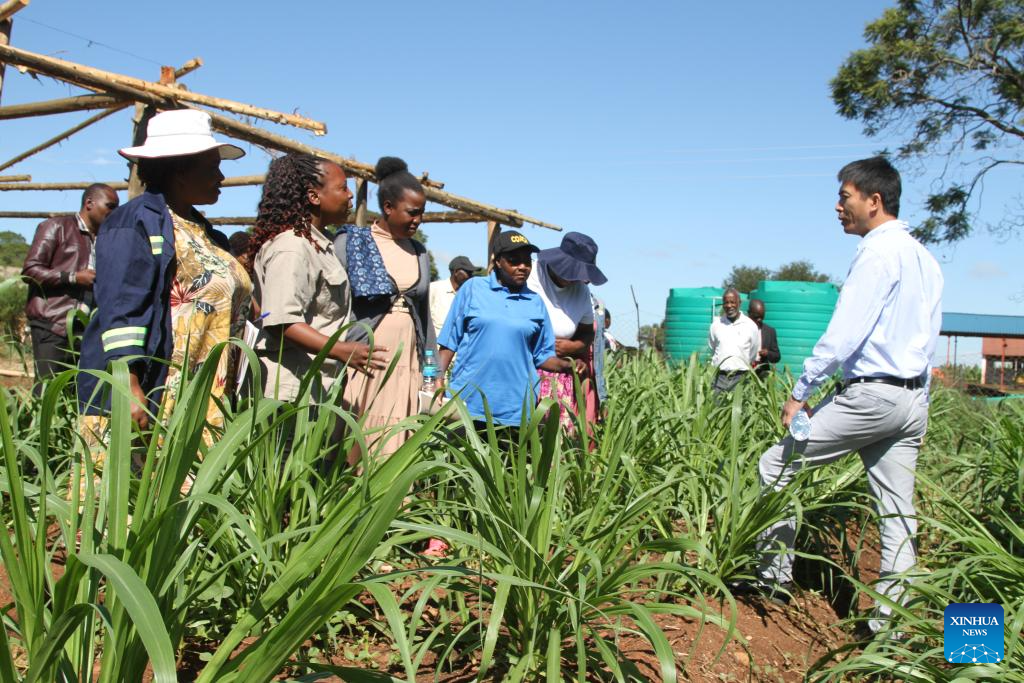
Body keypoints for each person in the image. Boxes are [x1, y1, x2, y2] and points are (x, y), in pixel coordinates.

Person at [746, 157, 943, 638]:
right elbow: (926, 337)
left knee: (775, 466)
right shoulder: (924, 258)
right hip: (910, 401)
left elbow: (844, 334)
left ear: (874, 201)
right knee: (897, 513)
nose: (838, 207)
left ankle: (771, 581)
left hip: (871, 397)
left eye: (845, 197)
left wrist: (801, 392)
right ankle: (890, 627)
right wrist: (916, 402)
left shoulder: (877, 253)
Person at [78, 109, 251, 442]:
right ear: (180, 170)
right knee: (143, 474)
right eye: (213, 167)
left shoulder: (210, 236)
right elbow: (121, 306)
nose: (221, 177)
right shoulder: (134, 222)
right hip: (156, 390)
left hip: (203, 394)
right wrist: (128, 386)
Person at [248, 153, 388, 408]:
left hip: (314, 387)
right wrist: (341, 349)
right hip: (288, 392)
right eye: (342, 188)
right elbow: (282, 321)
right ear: (314, 196)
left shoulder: (320, 245)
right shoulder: (292, 248)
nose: (350, 195)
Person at [337, 156, 435, 459]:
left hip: (406, 362)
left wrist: (432, 371)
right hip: (364, 358)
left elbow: (424, 318)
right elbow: (333, 304)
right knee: (358, 433)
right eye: (412, 212)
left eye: (422, 213)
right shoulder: (353, 242)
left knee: (397, 435)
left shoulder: (419, 252)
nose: (418, 220)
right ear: (389, 207)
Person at [436, 230, 577, 428]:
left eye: (527, 261)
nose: (522, 267)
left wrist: (567, 365)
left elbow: (542, 356)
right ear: (498, 261)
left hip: (516, 409)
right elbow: (448, 343)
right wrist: (437, 379)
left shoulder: (535, 302)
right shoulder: (473, 289)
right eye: (514, 260)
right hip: (468, 403)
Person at [22, 183, 119, 394]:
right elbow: (30, 271)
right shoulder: (56, 227)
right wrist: (73, 277)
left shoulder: (106, 240)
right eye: (110, 206)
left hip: (87, 332)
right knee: (48, 393)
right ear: (89, 203)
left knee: (76, 396)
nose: (114, 212)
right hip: (53, 325)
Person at [527, 231, 606, 430]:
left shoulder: (581, 291)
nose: (580, 280)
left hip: (558, 374)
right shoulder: (530, 276)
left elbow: (587, 333)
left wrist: (573, 347)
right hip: (523, 370)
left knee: (553, 439)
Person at [708, 288, 760, 392]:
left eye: (732, 302)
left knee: (740, 403)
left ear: (739, 303)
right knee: (716, 402)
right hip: (719, 377)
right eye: (726, 302)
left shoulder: (750, 326)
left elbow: (753, 352)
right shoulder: (715, 325)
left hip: (741, 377)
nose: (729, 305)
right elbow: (712, 348)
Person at [429, 255, 479, 337]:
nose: (471, 276)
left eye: (472, 273)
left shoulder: (470, 294)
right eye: (468, 273)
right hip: (435, 342)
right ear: (456, 272)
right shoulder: (434, 289)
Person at [748, 298, 780, 377]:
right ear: (749, 313)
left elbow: (777, 356)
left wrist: (767, 353)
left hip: (762, 373)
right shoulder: (741, 329)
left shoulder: (770, 331)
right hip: (745, 372)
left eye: (762, 317)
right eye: (756, 317)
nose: (759, 320)